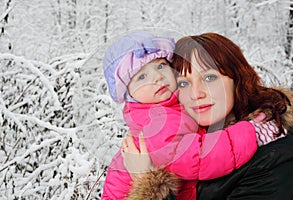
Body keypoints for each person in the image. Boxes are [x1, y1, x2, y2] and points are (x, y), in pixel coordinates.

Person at [101, 31, 280, 199]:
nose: (157, 77)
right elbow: (199, 158)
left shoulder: (275, 159)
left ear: (238, 77)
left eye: (161, 66)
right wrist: (251, 132)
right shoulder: (157, 123)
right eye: (185, 83)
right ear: (129, 96)